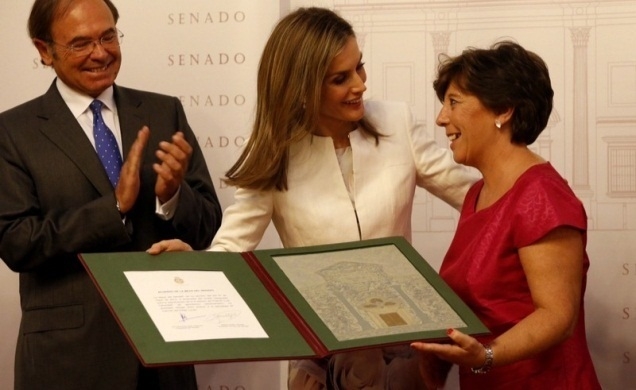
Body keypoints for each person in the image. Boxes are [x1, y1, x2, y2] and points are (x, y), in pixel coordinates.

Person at [149, 7, 477, 390]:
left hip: (402, 347)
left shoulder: (396, 122)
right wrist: (191, 268)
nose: (360, 85)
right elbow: (232, 251)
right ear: (301, 87)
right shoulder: (275, 153)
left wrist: (531, 193)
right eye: (340, 78)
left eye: (360, 67)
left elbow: (475, 196)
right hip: (318, 358)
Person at [0, 0, 222, 389]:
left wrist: (171, 197)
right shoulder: (14, 132)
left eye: (108, 36)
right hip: (68, 361)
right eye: (81, 43)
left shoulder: (163, 111)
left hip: (164, 352)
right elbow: (17, 243)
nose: (100, 53)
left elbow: (206, 228)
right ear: (43, 50)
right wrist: (114, 207)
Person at [410, 41, 602, 389]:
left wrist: (486, 355)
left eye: (453, 102)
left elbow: (558, 316)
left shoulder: (542, 195)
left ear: (504, 110)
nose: (441, 118)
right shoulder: (475, 195)